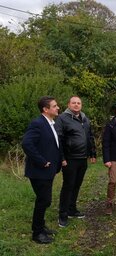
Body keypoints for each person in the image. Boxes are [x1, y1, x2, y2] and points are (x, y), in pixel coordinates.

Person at [22, 96, 62, 244]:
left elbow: (54, 145)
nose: (58, 108)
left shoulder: (51, 123)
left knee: (45, 201)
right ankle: (37, 233)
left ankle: (40, 226)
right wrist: (42, 161)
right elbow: (27, 144)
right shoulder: (37, 123)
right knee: (43, 200)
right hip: (39, 171)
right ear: (46, 109)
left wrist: (60, 159)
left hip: (48, 171)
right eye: (55, 106)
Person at [55, 96, 96, 228]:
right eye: (74, 103)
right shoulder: (62, 118)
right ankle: (63, 214)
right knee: (68, 186)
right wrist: (62, 158)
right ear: (69, 104)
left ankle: (72, 210)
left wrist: (92, 153)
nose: (76, 105)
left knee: (77, 185)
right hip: (69, 159)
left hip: (82, 158)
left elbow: (90, 137)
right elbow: (58, 139)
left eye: (79, 103)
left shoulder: (85, 118)